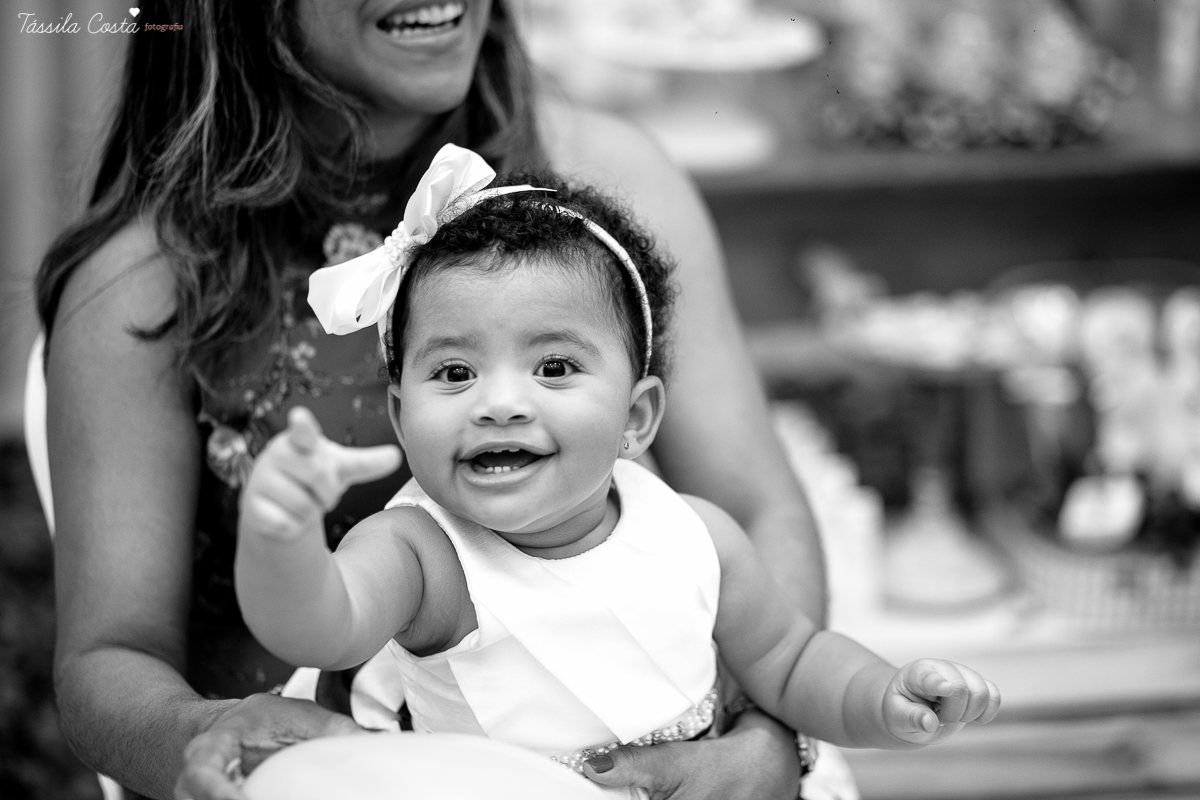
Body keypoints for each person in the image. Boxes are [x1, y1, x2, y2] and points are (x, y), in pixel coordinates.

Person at [36, 2, 827, 799]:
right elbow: (109, 656)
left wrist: (766, 746)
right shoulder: (143, 286)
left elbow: (757, 510)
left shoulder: (613, 173)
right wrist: (203, 737)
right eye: (453, 373)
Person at [234, 145, 1001, 800]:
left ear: (636, 419)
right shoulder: (421, 554)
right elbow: (321, 623)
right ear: (402, 418)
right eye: (456, 372)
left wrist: (883, 697)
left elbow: (792, 663)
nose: (499, 404)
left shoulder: (695, 535)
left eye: (555, 366)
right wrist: (281, 537)